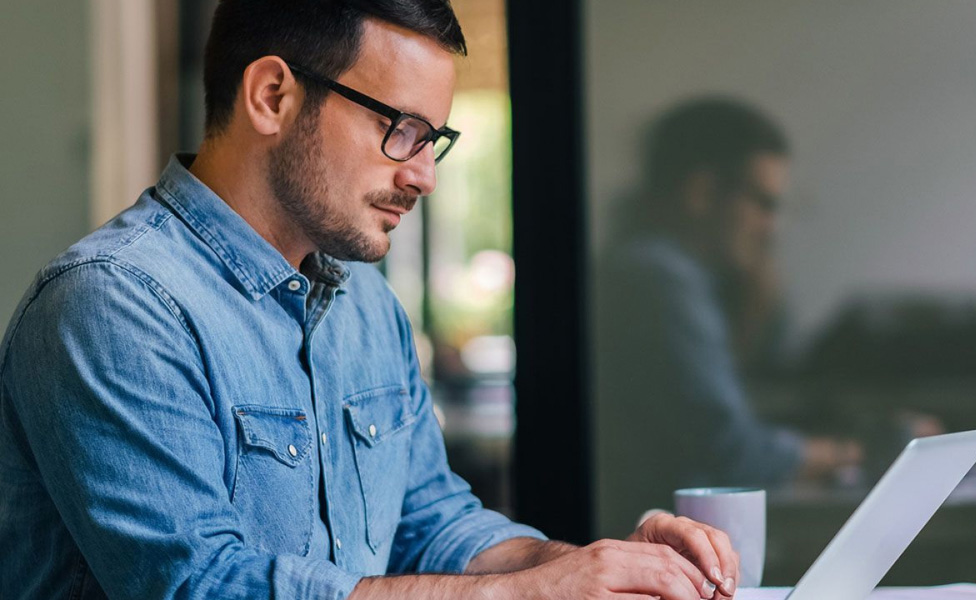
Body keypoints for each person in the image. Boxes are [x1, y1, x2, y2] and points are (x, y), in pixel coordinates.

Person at [0, 2, 740, 599]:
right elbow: (198, 584)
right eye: (402, 130)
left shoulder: (364, 306)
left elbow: (430, 522)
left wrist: (595, 568)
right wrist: (525, 596)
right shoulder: (113, 304)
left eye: (433, 139)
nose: (425, 176)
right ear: (272, 96)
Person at [595, 98, 864, 533]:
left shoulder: (669, 273)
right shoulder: (657, 277)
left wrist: (759, 290)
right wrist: (853, 452)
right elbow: (730, 448)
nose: (772, 226)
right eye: (763, 202)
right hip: (656, 542)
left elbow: (744, 388)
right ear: (701, 192)